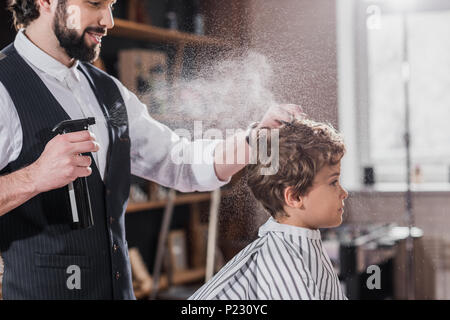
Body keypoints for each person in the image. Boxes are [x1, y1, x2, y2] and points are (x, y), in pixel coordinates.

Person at [0, 0, 304, 299]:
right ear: (45, 2)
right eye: (95, 4)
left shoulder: (109, 91)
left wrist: (254, 139)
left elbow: (179, 162)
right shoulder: (4, 87)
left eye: (111, 5)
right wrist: (35, 177)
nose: (108, 21)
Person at [189, 119, 349, 300]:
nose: (344, 193)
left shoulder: (299, 245)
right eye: (334, 182)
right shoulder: (286, 264)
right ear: (295, 197)